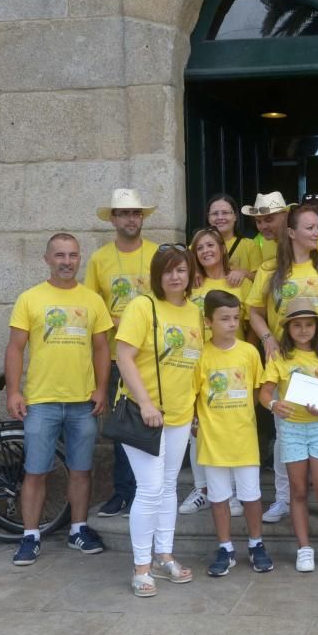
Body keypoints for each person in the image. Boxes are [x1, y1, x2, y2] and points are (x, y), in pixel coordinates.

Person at [5, 233, 112, 566]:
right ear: (47, 259)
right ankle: (30, 536)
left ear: (80, 259)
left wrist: (101, 389)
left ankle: (78, 530)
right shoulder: (30, 298)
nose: (67, 261)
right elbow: (15, 348)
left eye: (73, 255)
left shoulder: (92, 300)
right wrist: (13, 391)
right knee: (35, 472)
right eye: (60, 255)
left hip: (83, 403)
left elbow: (101, 349)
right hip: (41, 401)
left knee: (81, 470)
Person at [248, 204, 318, 523]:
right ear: (291, 233)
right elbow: (253, 311)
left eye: (317, 227)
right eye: (309, 228)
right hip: (285, 361)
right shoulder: (269, 270)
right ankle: (283, 499)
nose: (316, 232)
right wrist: (267, 338)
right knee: (285, 432)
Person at [115, 243, 203, 597]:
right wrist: (147, 402)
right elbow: (124, 356)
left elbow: (193, 363)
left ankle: (164, 556)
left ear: (190, 273)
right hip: (143, 413)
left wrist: (194, 407)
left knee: (168, 487)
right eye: (167, 270)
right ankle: (140, 566)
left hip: (180, 414)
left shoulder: (195, 313)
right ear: (157, 275)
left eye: (181, 269)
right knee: (150, 489)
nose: (175, 276)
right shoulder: (143, 305)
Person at [260, 298, 318, 572]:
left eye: (308, 324)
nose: (303, 330)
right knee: (297, 491)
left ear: (316, 327)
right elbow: (265, 392)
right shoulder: (279, 358)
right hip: (291, 429)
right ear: (287, 328)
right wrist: (274, 404)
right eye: (297, 325)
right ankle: (304, 548)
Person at [87, 188, 159, 519]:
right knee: (122, 429)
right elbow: (90, 308)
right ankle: (123, 492)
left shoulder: (158, 254)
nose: (131, 218)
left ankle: (156, 491)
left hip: (156, 357)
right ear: (113, 219)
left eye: (136, 213)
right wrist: (115, 320)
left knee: (161, 424)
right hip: (118, 357)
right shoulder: (100, 259)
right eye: (124, 213)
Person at [195, 290, 274, 576]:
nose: (231, 323)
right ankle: (225, 548)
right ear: (208, 321)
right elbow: (195, 396)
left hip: (244, 439)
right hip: (213, 441)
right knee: (219, 497)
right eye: (223, 318)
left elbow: (256, 391)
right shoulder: (200, 355)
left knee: (251, 495)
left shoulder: (249, 352)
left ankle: (256, 544)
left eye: (235, 317)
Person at [178, 226, 253, 516]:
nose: (206, 251)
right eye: (199, 248)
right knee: (196, 426)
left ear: (222, 248)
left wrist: (245, 273)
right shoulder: (191, 285)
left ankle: (231, 492)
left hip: (233, 363)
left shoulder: (238, 281)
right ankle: (203, 489)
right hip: (196, 363)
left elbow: (249, 321)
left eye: (211, 245)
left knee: (232, 424)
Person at [244, 191, 318, 265]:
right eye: (258, 221)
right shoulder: (265, 242)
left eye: (269, 220)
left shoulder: (315, 239)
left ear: (285, 216)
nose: (263, 226)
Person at [206, 193, 262, 284]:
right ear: (208, 218)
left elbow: (260, 279)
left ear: (235, 216)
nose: (220, 217)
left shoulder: (250, 245)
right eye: (215, 213)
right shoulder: (198, 247)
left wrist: (244, 273)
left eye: (225, 213)